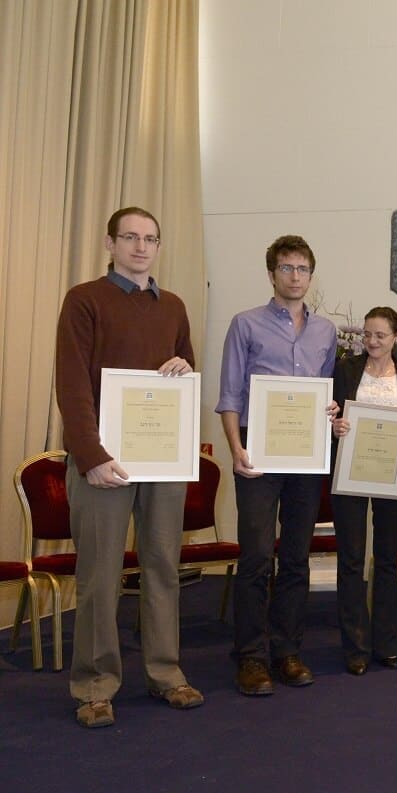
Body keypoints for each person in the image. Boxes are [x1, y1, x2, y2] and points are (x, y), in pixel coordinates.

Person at [55, 206, 203, 727]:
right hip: (104, 464)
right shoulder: (84, 300)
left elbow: (186, 374)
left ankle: (166, 674)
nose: (141, 247)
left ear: (159, 247)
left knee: (164, 567)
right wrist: (90, 456)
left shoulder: (175, 307)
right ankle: (95, 685)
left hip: (161, 462)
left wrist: (187, 370)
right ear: (110, 243)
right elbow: (71, 384)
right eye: (131, 238)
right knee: (100, 573)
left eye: (150, 239)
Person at [217, 235, 338, 696]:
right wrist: (235, 448)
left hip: (306, 453)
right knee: (255, 555)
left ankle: (286, 650)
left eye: (302, 269)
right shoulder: (245, 324)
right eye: (286, 268)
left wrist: (329, 412)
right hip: (256, 451)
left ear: (311, 275)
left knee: (296, 556)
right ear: (271, 274)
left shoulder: (325, 332)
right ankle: (250, 657)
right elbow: (229, 395)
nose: (294, 277)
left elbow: (326, 392)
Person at [330, 307, 397, 675]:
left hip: (392, 474)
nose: (372, 341)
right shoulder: (346, 369)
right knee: (351, 559)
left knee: (387, 560)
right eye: (367, 334)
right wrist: (334, 426)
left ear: (396, 337)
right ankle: (355, 646)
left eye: (380, 335)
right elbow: (331, 413)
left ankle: (386, 643)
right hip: (351, 472)